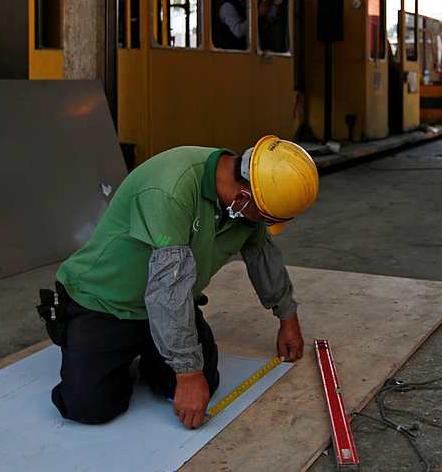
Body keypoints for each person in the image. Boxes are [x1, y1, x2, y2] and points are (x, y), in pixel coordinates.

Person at [43, 136, 318, 430]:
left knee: (205, 383)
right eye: (264, 216)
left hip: (166, 303)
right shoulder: (170, 189)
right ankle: (109, 350)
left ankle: (153, 349)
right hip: (105, 304)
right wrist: (187, 374)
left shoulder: (245, 202)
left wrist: (287, 316)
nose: (262, 224)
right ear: (244, 197)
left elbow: (262, 254)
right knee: (90, 407)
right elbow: (168, 287)